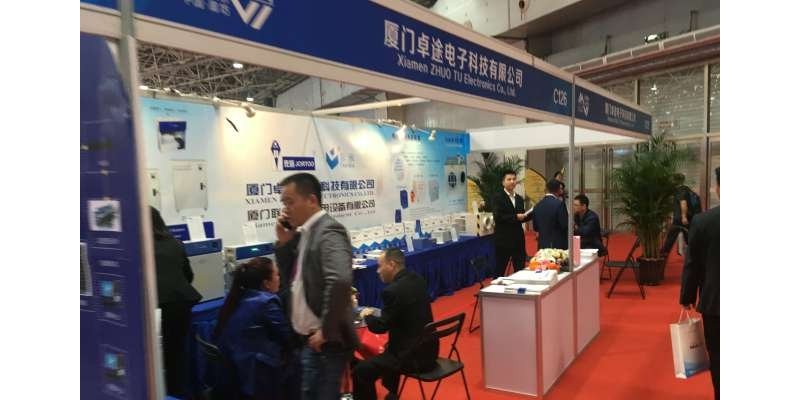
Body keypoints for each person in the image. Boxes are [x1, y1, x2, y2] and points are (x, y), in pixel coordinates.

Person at [274, 172, 358, 400]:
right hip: (309, 341)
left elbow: (340, 280)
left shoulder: (328, 231)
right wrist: (284, 242)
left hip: (325, 345)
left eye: (290, 202)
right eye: (283, 203)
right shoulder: (305, 232)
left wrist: (326, 331)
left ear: (311, 200)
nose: (285, 209)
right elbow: (291, 280)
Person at [352, 248, 438, 400]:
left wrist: (367, 315)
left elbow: (380, 327)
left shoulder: (392, 291)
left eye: (380, 266)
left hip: (411, 358)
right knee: (388, 348)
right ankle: (392, 394)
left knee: (360, 370)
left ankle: (389, 393)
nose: (378, 271)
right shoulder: (418, 279)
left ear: (391, 265)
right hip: (430, 351)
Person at [215, 257, 301, 400]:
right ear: (266, 283)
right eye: (277, 275)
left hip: (235, 369)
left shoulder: (237, 298)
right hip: (256, 373)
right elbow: (287, 337)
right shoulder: (266, 302)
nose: (279, 278)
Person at [150, 207, 202, 398]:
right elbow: (189, 275)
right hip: (179, 305)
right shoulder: (175, 243)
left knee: (155, 357)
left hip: (155, 307)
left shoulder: (139, 246)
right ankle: (177, 393)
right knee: (176, 354)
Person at [679, 167, 720, 400]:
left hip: (716, 303)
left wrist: (687, 296)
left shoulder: (704, 222)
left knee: (719, 358)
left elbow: (692, 263)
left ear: (718, 188)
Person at [491, 169, 533, 277]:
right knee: (499, 271)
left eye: (514, 179)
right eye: (509, 179)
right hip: (503, 240)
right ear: (503, 182)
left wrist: (531, 214)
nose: (512, 181)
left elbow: (521, 217)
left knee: (520, 270)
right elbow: (498, 217)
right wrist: (516, 217)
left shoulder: (519, 198)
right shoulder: (497, 197)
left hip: (518, 239)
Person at [660, 174, 702, 258]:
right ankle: (696, 255)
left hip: (680, 219)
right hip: (689, 218)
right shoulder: (687, 189)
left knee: (671, 237)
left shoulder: (680, 190)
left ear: (675, 181)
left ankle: (663, 255)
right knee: (688, 238)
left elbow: (683, 203)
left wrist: (683, 216)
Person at [532, 179, 569, 250]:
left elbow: (535, 227)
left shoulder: (537, 205)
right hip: (558, 245)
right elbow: (564, 225)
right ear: (558, 190)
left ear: (546, 189)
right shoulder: (560, 204)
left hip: (542, 244)